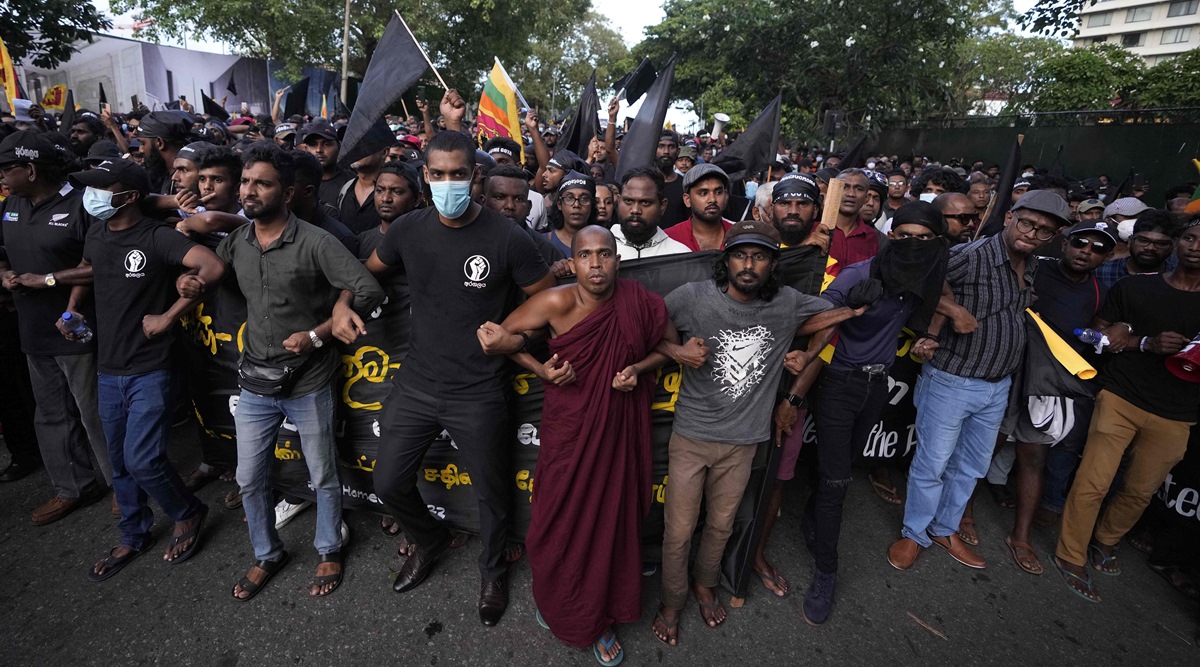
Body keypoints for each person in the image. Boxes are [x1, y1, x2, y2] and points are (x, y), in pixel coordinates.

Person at [355, 130, 555, 626]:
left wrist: (518, 342)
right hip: (417, 384)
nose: (448, 183)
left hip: (480, 390)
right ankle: (429, 539)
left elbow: (552, 311)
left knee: (491, 492)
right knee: (388, 481)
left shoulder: (511, 239)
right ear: (424, 176)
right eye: (438, 174)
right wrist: (340, 307)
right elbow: (367, 273)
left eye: (458, 174)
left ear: (476, 176)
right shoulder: (406, 230)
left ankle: (492, 572)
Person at [650, 220, 868, 647]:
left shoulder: (787, 303)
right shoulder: (692, 298)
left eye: (760, 256)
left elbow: (834, 316)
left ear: (773, 264)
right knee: (677, 530)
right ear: (725, 259)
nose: (748, 265)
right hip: (691, 436)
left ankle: (705, 585)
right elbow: (645, 323)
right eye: (740, 255)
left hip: (746, 440)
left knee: (722, 524)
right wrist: (675, 350)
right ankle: (672, 600)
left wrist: (808, 353)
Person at [477, 225, 670, 666]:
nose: (596, 264)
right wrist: (542, 369)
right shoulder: (555, 301)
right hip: (569, 429)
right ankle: (558, 599)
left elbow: (668, 346)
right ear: (573, 260)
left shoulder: (641, 302)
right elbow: (496, 338)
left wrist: (638, 369)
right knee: (558, 517)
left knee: (612, 519)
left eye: (605, 254)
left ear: (618, 260)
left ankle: (599, 620)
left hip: (620, 428)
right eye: (586, 255)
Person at [212, 143, 384, 601]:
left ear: (287, 193)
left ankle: (329, 547)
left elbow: (366, 288)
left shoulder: (317, 241)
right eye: (246, 182)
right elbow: (210, 270)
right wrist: (185, 283)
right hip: (254, 384)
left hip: (308, 381)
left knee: (324, 473)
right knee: (249, 478)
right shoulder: (238, 242)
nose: (249, 191)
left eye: (261, 183)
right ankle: (267, 554)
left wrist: (320, 333)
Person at [59, 158, 224, 580]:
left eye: (101, 188)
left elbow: (211, 266)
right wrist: (72, 307)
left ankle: (188, 511)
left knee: (144, 458)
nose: (91, 196)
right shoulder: (97, 231)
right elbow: (91, 269)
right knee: (119, 463)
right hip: (109, 366)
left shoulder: (156, 236)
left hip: (151, 366)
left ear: (128, 197)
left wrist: (168, 316)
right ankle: (133, 533)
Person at [784, 201, 950, 624]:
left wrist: (930, 333)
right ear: (890, 236)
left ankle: (811, 519)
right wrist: (850, 309)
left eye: (924, 239)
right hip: (840, 382)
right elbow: (806, 322)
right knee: (838, 482)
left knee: (839, 472)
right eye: (904, 236)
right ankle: (826, 573)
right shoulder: (859, 274)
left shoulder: (926, 274)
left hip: (877, 386)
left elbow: (939, 299)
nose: (913, 246)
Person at [888, 191, 1071, 572]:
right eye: (1027, 224)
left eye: (1044, 230)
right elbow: (912, 282)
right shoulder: (970, 256)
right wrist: (952, 310)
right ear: (1009, 217)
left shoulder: (1033, 264)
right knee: (932, 464)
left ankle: (945, 528)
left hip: (998, 385)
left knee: (971, 466)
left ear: (1053, 236)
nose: (1032, 234)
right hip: (952, 380)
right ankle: (914, 533)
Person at [1052, 218, 1200, 603]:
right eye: (1190, 237)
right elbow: (1094, 335)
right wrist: (1144, 342)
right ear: (1178, 243)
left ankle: (1106, 539)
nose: (1195, 246)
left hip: (1179, 411)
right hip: (1121, 396)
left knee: (1139, 490)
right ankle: (1070, 554)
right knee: (1094, 480)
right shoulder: (1135, 287)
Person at [967, 220, 1116, 569]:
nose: (1086, 251)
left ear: (1107, 257)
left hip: (1051, 383)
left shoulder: (1100, 292)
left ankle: (1020, 536)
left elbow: (1102, 331)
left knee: (1033, 458)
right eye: (1080, 243)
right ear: (1064, 244)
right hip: (1009, 367)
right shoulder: (1034, 267)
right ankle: (964, 514)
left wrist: (1105, 333)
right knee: (986, 446)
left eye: (1097, 248)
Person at [0, 130, 114, 524]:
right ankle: (73, 487)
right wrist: (5, 273)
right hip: (33, 333)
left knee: (94, 412)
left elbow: (99, 265)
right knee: (50, 414)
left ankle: (124, 486)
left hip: (77, 328)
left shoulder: (83, 203)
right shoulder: (10, 204)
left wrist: (48, 282)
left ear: (30, 169)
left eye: (6, 168)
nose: (1, 176)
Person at [610, 167, 690, 259]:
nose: (635, 210)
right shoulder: (598, 252)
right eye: (628, 201)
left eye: (645, 202)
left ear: (662, 206)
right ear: (619, 202)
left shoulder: (680, 255)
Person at [1094, 211, 1177, 290]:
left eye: (1161, 243)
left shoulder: (1178, 277)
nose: (1150, 248)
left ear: (1172, 246)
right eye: (1143, 241)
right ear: (1130, 241)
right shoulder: (1100, 272)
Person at [663, 164, 733, 251]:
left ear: (726, 197)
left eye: (718, 192)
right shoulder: (669, 239)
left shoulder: (739, 234)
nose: (712, 199)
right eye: (703, 193)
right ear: (687, 200)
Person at [359, 161, 421, 260]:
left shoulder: (425, 240)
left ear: (416, 199)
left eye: (397, 192)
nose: (385, 198)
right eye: (380, 190)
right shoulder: (362, 240)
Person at [297, 118, 354, 211]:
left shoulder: (351, 183)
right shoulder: (298, 182)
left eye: (327, 144)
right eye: (313, 144)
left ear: (338, 147)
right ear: (306, 149)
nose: (319, 150)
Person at [545, 171, 598, 258]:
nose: (576, 205)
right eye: (569, 198)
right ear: (559, 204)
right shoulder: (544, 242)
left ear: (592, 204)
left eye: (584, 199)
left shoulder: (603, 241)